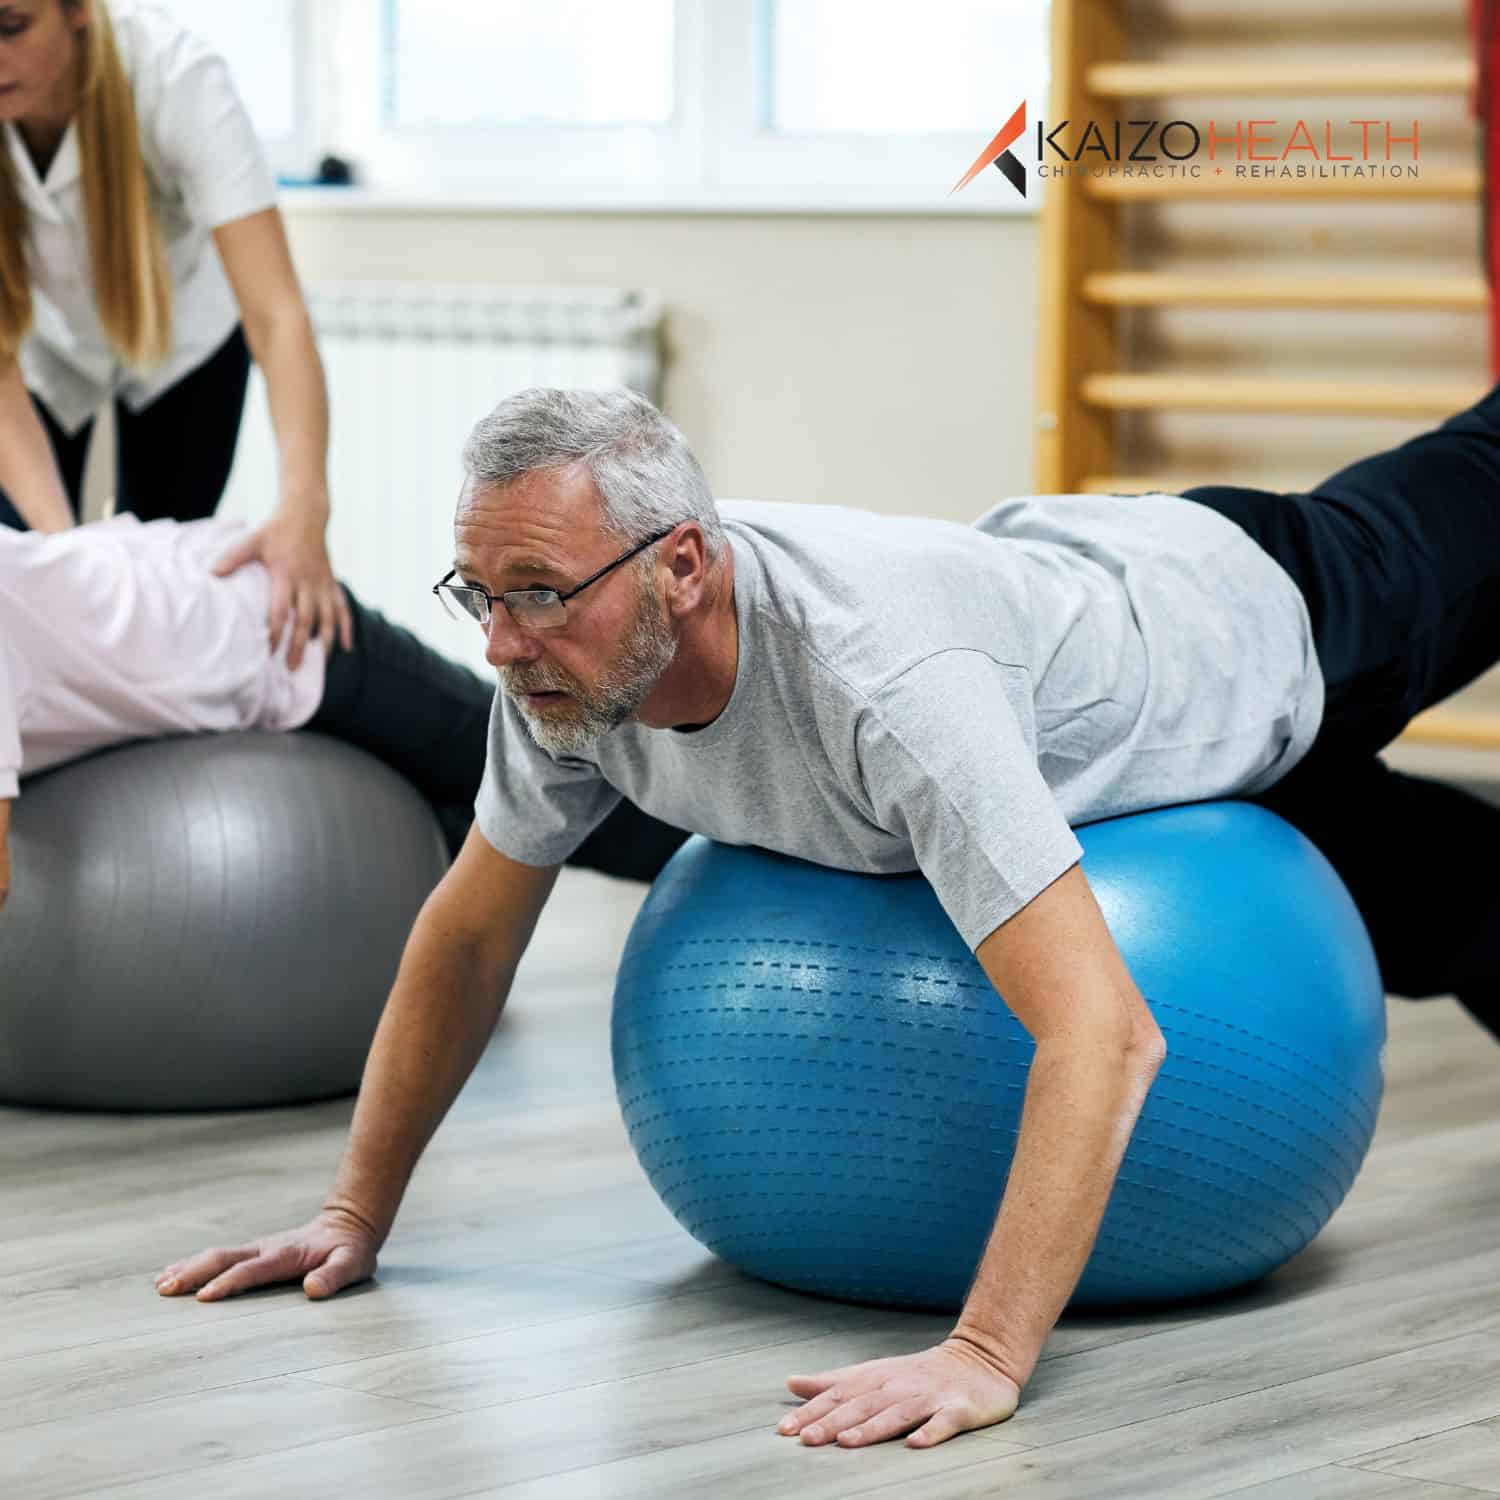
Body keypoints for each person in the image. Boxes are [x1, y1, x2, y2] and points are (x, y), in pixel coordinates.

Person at [155, 383, 1500, 1453]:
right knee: (1461, 913)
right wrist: (354, 1214)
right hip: (1140, 692)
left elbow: (1107, 1037)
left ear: (682, 564)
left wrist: (983, 1356)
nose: (501, 643)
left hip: (1275, 615)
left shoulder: (887, 686)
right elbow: (469, 936)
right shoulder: (569, 693)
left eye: (541, 592)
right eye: (482, 592)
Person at [0, 509, 690, 911]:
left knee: (552, 788)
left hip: (278, 630)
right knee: (459, 832)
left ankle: (740, 851)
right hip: (179, 642)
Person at [0, 0, 350, 669]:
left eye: (10, 27)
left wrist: (305, 511)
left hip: (184, 343)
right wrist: (67, 563)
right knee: (30, 581)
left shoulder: (179, 77)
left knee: (168, 591)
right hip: (43, 349)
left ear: (77, 11)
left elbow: (277, 317)